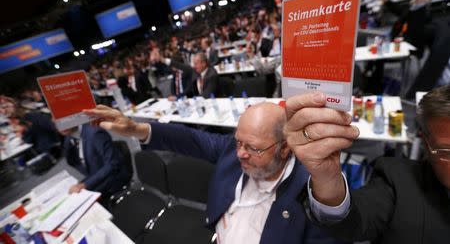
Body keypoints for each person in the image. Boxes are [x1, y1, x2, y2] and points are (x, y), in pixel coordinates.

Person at [84, 103, 342, 244]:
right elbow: (191, 138)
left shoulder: (311, 195)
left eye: (252, 148)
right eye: (238, 142)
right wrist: (136, 128)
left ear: (285, 149)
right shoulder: (233, 151)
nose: (240, 153)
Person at [283, 86, 450, 243]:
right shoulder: (399, 182)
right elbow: (353, 222)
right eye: (447, 152)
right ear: (427, 145)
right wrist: (327, 180)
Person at [60, 124, 131, 197]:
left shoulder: (95, 133)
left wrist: (85, 184)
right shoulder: (68, 138)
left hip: (114, 179)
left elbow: (113, 163)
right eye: (55, 123)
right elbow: (72, 162)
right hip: (97, 176)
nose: (59, 126)